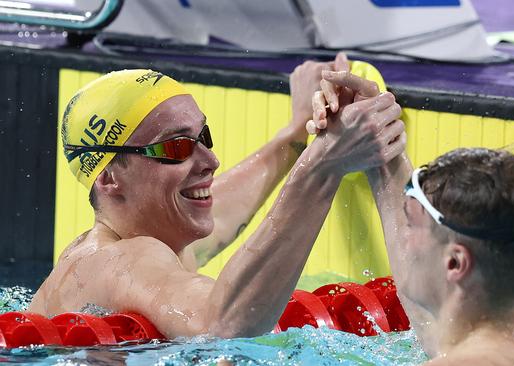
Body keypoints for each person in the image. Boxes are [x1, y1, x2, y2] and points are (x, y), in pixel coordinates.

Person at [28, 54, 406, 339]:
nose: (211, 160)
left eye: (203, 137)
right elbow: (222, 322)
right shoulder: (120, 260)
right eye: (177, 147)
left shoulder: (156, 235)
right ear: (109, 177)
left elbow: (225, 213)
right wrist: (323, 164)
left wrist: (295, 134)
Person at [313, 71, 514, 365]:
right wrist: (380, 140)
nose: (404, 238)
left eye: (412, 225)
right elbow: (440, 332)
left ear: (455, 263)